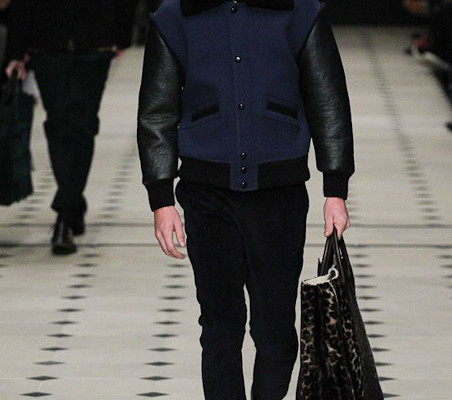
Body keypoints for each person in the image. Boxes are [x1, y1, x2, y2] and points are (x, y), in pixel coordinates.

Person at [137, 0, 354, 399]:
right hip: (206, 194)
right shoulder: (176, 16)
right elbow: (157, 111)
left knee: (275, 330)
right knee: (220, 325)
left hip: (278, 193)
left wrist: (335, 189)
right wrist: (161, 199)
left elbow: (328, 100)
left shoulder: (299, 12)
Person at [5, 0, 136, 255]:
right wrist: (15, 50)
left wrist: (122, 34)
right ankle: (72, 202)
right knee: (58, 124)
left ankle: (65, 213)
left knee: (82, 126)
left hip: (94, 39)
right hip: (48, 40)